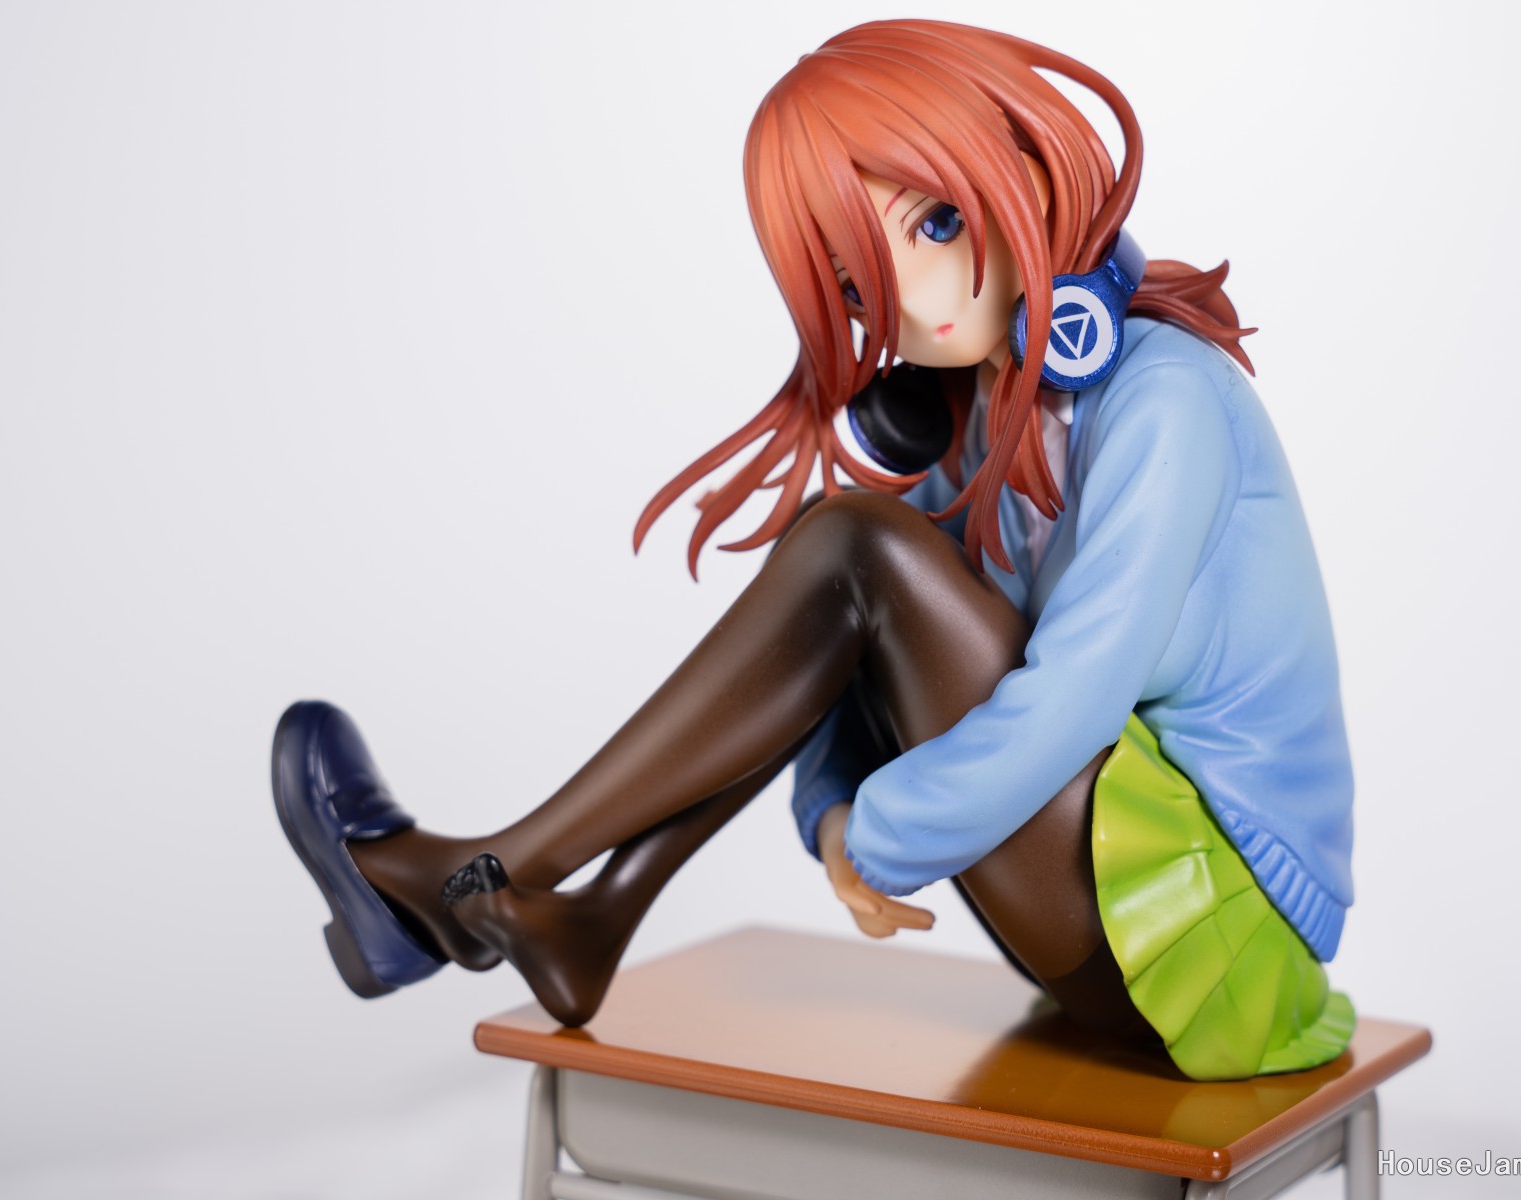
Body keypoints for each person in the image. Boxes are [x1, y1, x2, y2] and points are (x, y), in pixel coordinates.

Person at [271, 19, 1355, 1082]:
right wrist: (832, 812)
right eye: (858, 281)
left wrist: (878, 836)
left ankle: (476, 881)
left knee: (855, 546)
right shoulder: (986, 415)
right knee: (840, 545)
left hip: (1214, 941)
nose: (916, 300)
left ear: (1025, 170)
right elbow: (851, 649)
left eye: (936, 223)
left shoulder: (1168, 402)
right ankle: (595, 915)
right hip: (1109, 917)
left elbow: (1076, 693)